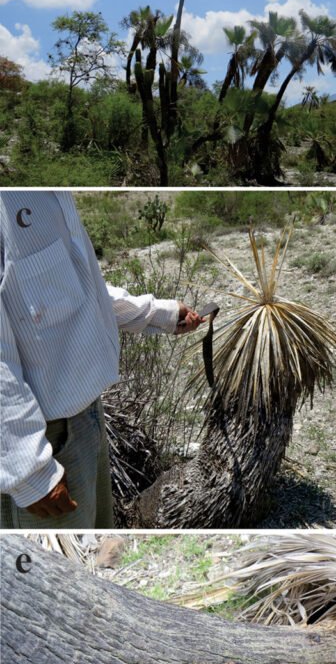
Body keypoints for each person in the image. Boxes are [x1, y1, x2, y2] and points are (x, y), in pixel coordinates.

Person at [0, 191, 207, 529]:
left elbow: (73, 284)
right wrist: (28, 470)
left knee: (92, 545)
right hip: (38, 441)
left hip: (85, 420)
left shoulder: (49, 195)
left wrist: (156, 313)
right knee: (52, 559)